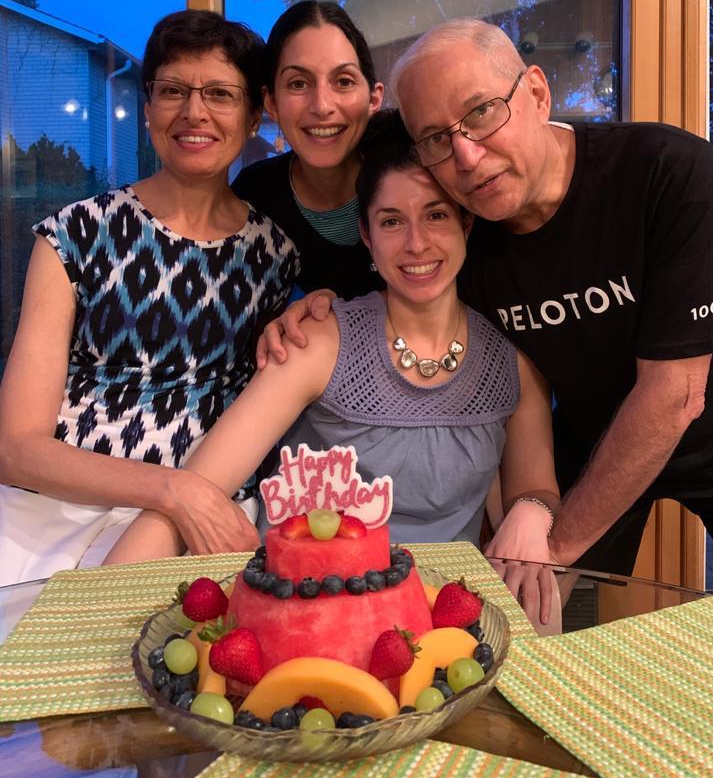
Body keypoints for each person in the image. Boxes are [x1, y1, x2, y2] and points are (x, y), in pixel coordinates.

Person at [105, 111, 560, 621]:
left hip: (439, 623)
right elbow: (199, 488)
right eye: (392, 221)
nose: (416, 244)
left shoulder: (511, 361)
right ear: (366, 236)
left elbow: (538, 488)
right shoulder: (318, 339)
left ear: (466, 223)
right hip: (303, 616)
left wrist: (531, 510)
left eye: (435, 215)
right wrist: (93, 627)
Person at [385, 17, 713, 602]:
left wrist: (559, 546)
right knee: (518, 615)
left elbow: (675, 397)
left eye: (483, 111)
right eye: (436, 138)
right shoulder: (463, 233)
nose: (465, 154)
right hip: (599, 440)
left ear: (537, 93)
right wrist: (315, 302)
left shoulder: (666, 168)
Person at [0, 9, 299, 585]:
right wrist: (174, 489)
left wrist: (190, 499)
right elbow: (15, 446)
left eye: (219, 93)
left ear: (253, 114)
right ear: (147, 109)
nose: (194, 112)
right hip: (50, 512)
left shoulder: (275, 256)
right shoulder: (74, 235)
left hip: (203, 525)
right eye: (172, 92)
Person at [232, 0, 385, 299]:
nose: (322, 106)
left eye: (343, 81)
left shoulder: (410, 178)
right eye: (299, 83)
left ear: (373, 98)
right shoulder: (252, 199)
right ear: (272, 103)